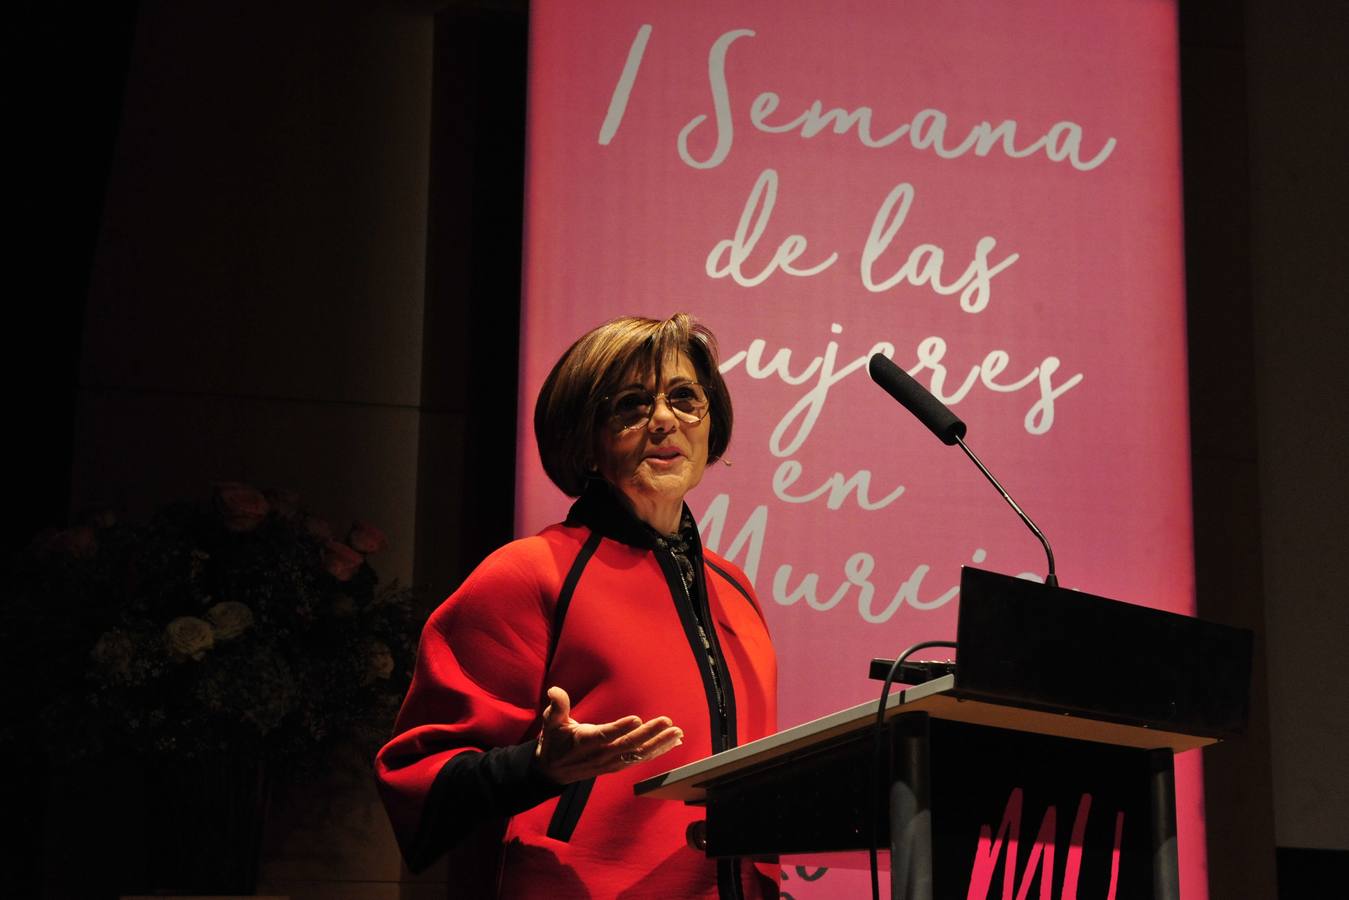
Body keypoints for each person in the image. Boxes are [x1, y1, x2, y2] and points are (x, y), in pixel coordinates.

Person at [375, 313, 778, 898]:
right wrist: (539, 766)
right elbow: (417, 774)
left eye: (685, 398)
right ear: (585, 441)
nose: (665, 420)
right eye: (633, 404)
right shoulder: (532, 571)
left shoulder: (733, 587)